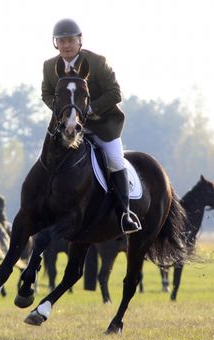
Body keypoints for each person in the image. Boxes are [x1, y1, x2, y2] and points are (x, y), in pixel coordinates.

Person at [41, 18, 140, 233]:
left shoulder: (97, 62)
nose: (66, 45)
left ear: (79, 40)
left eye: (70, 40)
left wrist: (88, 110)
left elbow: (115, 93)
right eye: (61, 41)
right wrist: (63, 114)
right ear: (55, 43)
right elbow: (46, 95)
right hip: (67, 127)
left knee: (114, 160)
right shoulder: (49, 66)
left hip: (103, 124)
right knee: (48, 158)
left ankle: (125, 213)